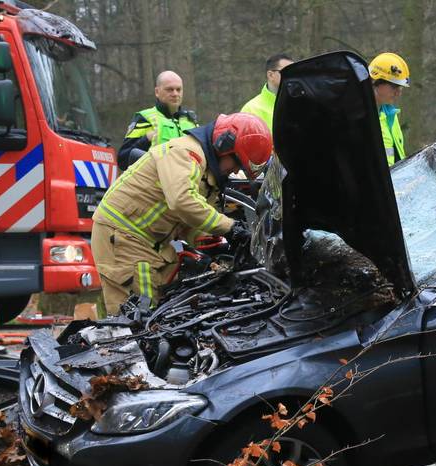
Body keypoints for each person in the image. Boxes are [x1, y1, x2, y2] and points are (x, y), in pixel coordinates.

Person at [92, 113, 271, 314]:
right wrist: (231, 228)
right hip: (125, 237)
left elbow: (189, 222)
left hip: (149, 242)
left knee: (168, 305)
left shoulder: (204, 171)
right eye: (237, 163)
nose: (235, 170)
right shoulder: (185, 153)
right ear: (224, 146)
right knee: (139, 316)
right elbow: (182, 202)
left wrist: (218, 246)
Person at [117, 70, 198, 172]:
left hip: (188, 186)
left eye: (178, 89)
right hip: (155, 187)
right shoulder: (145, 118)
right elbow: (123, 159)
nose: (175, 94)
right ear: (157, 92)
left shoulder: (191, 121)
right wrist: (145, 140)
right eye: (169, 89)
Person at [368, 52, 410, 166]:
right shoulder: (357, 116)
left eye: (400, 87)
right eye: (394, 86)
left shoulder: (390, 115)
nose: (398, 93)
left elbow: (397, 157)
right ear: (375, 82)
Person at [241, 53, 293, 132]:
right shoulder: (250, 110)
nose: (292, 76)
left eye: (294, 72)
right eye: (287, 71)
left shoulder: (303, 106)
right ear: (270, 75)